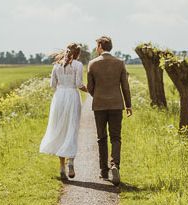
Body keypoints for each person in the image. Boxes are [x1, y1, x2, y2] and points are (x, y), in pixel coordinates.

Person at [87, 35, 132, 185]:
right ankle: (115, 165)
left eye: (96, 46)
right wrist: (128, 105)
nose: (96, 48)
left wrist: (98, 95)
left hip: (99, 106)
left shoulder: (92, 64)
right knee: (116, 137)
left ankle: (104, 172)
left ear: (100, 46)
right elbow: (125, 86)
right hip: (116, 105)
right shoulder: (120, 63)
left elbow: (90, 88)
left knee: (101, 138)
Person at [39, 43, 86, 180]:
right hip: (72, 96)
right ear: (78, 54)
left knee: (60, 130)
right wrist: (90, 90)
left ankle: (61, 167)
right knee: (72, 128)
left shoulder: (56, 66)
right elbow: (79, 84)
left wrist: (61, 89)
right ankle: (71, 162)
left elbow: (52, 85)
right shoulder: (78, 65)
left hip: (59, 98)